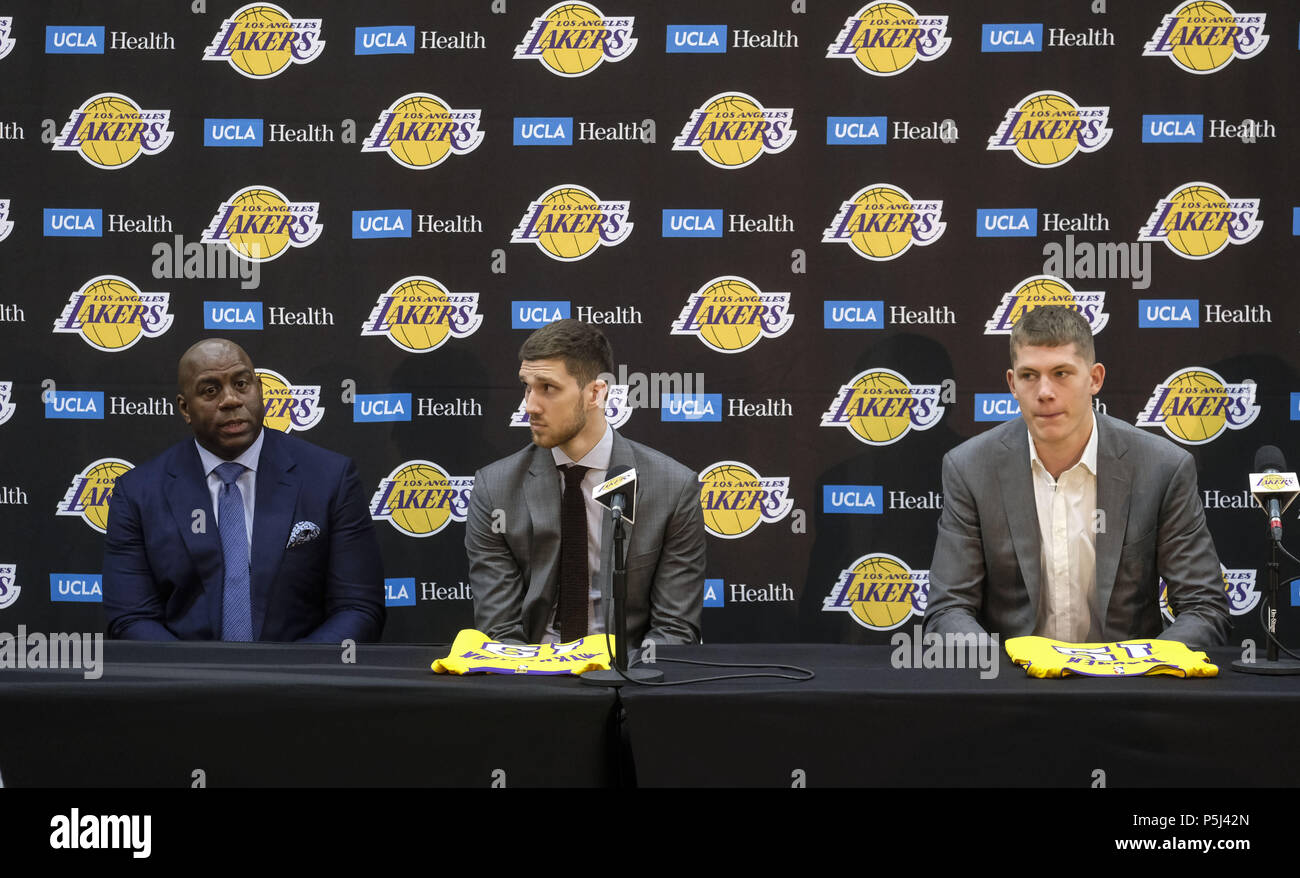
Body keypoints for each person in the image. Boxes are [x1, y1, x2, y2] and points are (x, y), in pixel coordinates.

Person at [925, 305, 1230, 648]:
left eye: (1061, 373)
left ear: (1095, 378)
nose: (1044, 392)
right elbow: (948, 608)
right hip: (1014, 687)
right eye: (1029, 376)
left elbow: (1204, 607)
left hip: (1127, 686)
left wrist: (1144, 666)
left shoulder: (1161, 467)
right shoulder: (970, 468)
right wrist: (1008, 672)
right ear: (1012, 383)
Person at [102, 338, 385, 642]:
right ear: (185, 408)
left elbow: (358, 608)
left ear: (259, 390)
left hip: (301, 680)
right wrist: (196, 681)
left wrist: (291, 679)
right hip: (186, 681)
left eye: (241, 384)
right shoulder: (138, 492)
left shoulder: (330, 477)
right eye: (210, 390)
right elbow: (131, 618)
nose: (231, 400)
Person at [466, 319, 705, 647]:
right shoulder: (494, 489)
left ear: (596, 392)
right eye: (527, 386)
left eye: (548, 388)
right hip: (533, 680)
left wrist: (625, 679)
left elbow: (674, 631)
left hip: (630, 678)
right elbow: (501, 631)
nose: (529, 406)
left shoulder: (674, 488)